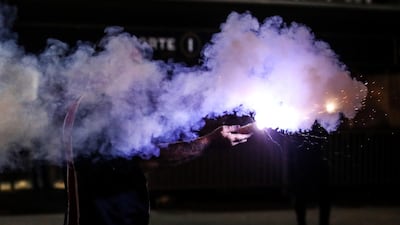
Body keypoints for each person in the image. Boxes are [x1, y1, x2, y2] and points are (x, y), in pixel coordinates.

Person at [63, 106, 254, 225]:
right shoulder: (100, 109)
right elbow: (151, 156)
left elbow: (128, 164)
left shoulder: (94, 106)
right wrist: (211, 141)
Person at [286, 121, 331, 225]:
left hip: (315, 161)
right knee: (300, 198)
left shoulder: (318, 121)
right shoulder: (297, 122)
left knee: (323, 197)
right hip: (302, 163)